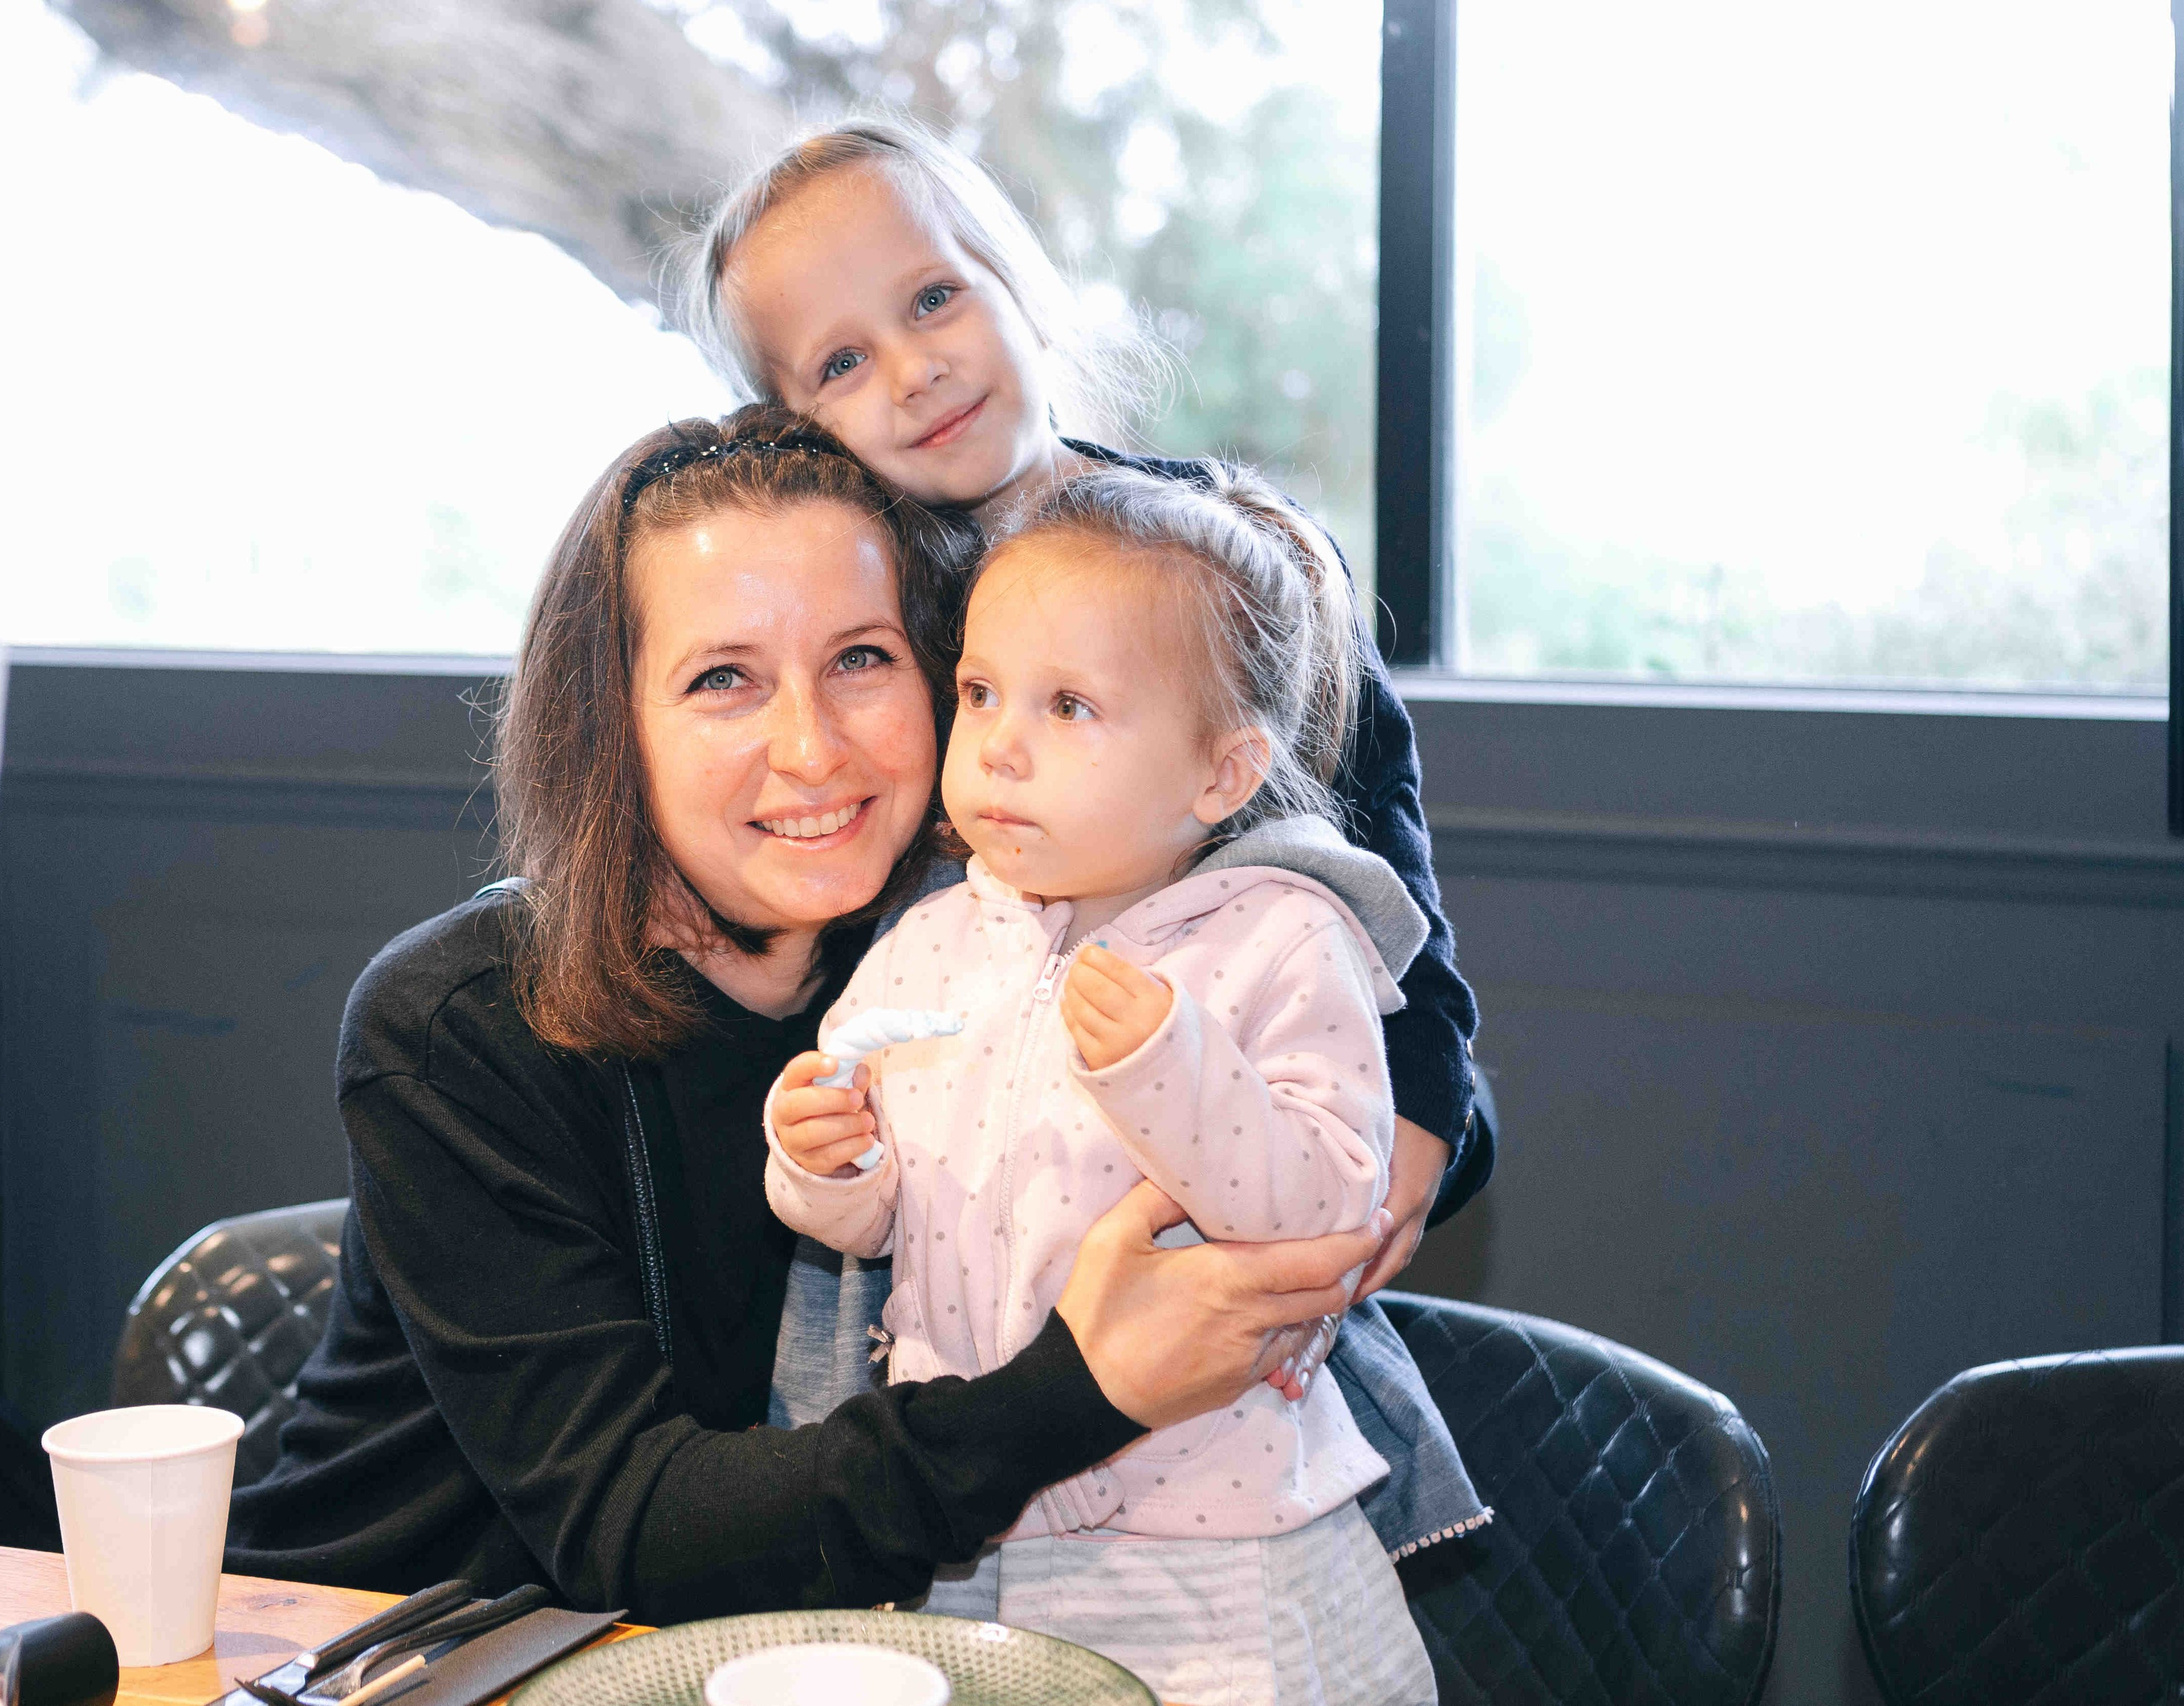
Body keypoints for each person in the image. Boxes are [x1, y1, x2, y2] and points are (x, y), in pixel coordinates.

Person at [222, 407, 1393, 1619]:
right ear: (611, 724)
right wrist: (1086, 1383)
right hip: (381, 1639)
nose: (811, 746)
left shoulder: (971, 957)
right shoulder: (456, 1025)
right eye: (723, 679)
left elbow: (1215, 690)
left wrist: (1417, 1098)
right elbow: (631, 1525)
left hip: (771, 1642)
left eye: (860, 659)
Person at [684, 117, 1490, 1560]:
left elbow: (1382, 847)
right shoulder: (871, 624)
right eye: (841, 361)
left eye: (934, 297)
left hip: (1214, 1168)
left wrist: (1427, 1099)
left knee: (1257, 1503)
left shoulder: (1220, 555)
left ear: (1019, 280)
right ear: (794, 428)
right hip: (954, 1225)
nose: (913, 369)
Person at [765, 465, 1437, 1705]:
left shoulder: (1282, 940)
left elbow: (1327, 1215)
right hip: (970, 1519)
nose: (1000, 744)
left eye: (1069, 705)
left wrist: (1171, 1069)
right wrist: (823, 1158)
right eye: (979, 692)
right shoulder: (929, 941)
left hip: (1207, 1544)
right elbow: (868, 1217)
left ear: (1222, 774)